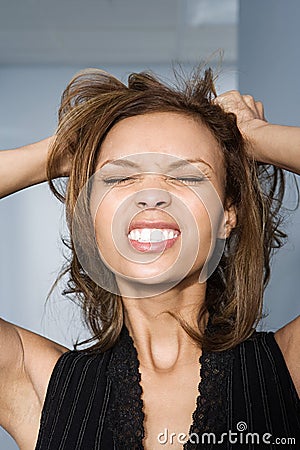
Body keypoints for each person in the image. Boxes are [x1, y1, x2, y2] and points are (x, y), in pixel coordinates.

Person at [0, 67, 299, 450]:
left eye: (187, 177)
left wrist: (255, 139)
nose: (152, 196)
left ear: (228, 214)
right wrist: (57, 154)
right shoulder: (36, 383)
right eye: (120, 179)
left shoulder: (288, 369)